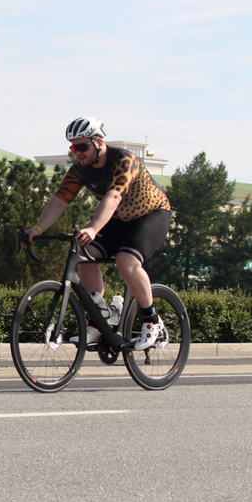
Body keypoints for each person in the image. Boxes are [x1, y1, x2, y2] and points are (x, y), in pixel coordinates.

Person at [24, 116, 172, 350]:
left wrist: (93, 228)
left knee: (126, 260)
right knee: (85, 252)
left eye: (82, 146)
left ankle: (152, 321)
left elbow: (113, 197)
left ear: (99, 143)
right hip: (119, 218)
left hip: (151, 215)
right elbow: (60, 200)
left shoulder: (124, 160)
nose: (78, 152)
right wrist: (38, 228)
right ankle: (99, 320)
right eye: (73, 147)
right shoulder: (79, 170)